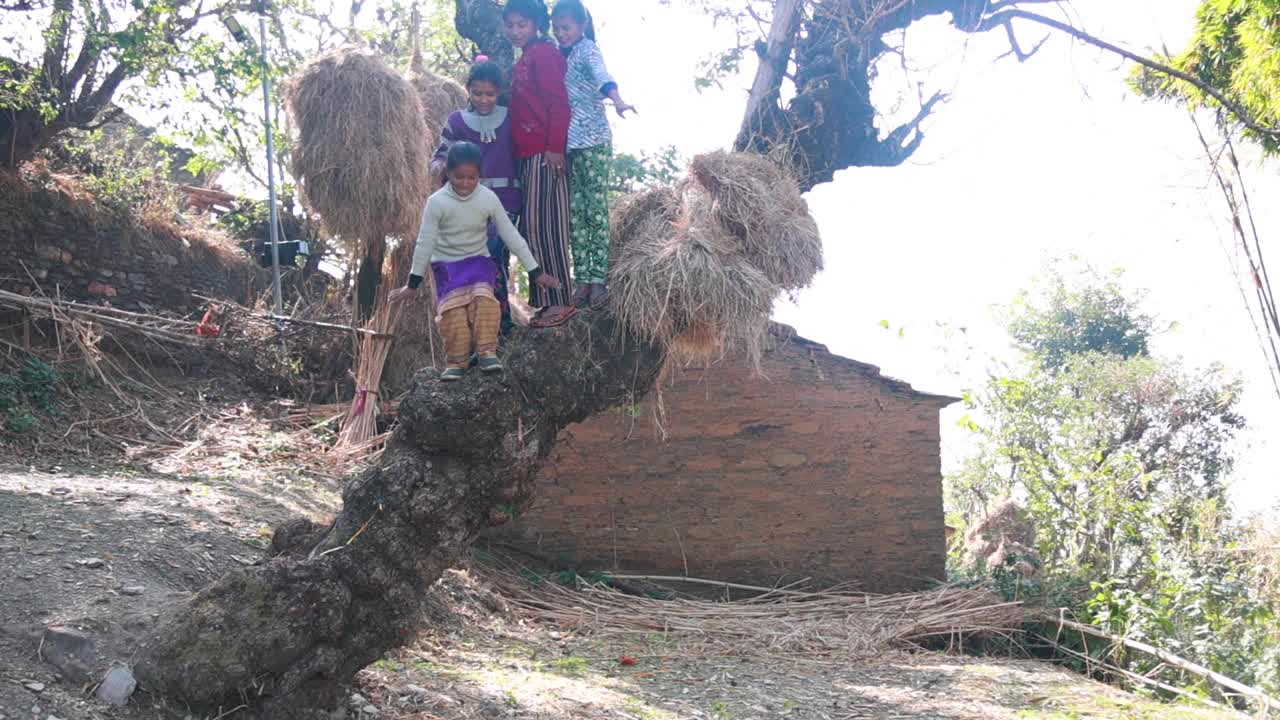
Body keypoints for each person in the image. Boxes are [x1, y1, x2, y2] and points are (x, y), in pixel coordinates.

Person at [392, 142, 561, 382]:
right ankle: (457, 361)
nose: (465, 183)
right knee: (454, 317)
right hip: (447, 267)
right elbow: (425, 243)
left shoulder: (487, 198)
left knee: (485, 301)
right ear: (448, 173)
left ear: (480, 175)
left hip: (478, 262)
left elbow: (510, 234)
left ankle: (486, 352)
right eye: (459, 177)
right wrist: (412, 283)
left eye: (472, 177)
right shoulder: (437, 202)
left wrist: (536, 272)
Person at [552, 0, 635, 310]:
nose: (561, 33)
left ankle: (599, 278)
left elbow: (602, 76)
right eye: (557, 28)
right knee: (577, 212)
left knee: (596, 210)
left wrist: (618, 99)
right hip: (570, 144)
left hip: (595, 140)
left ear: (581, 26)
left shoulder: (587, 50)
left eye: (567, 27)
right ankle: (582, 278)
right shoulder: (560, 56)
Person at [433, 57, 522, 336]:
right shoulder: (457, 121)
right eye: (478, 93)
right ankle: (481, 328)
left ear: (499, 92)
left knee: (496, 255)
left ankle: (502, 324)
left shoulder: (510, 118)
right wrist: (439, 167)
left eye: (490, 94)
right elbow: (442, 154)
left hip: (507, 201)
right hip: (470, 202)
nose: (484, 99)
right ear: (468, 90)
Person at [504, 0, 577, 328]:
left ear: (536, 25)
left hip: (546, 154)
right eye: (511, 25)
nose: (516, 31)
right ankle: (543, 302)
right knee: (532, 227)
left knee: (549, 227)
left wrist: (555, 148)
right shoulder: (525, 58)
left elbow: (558, 103)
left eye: (522, 25)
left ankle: (560, 300)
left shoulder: (545, 53)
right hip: (525, 155)